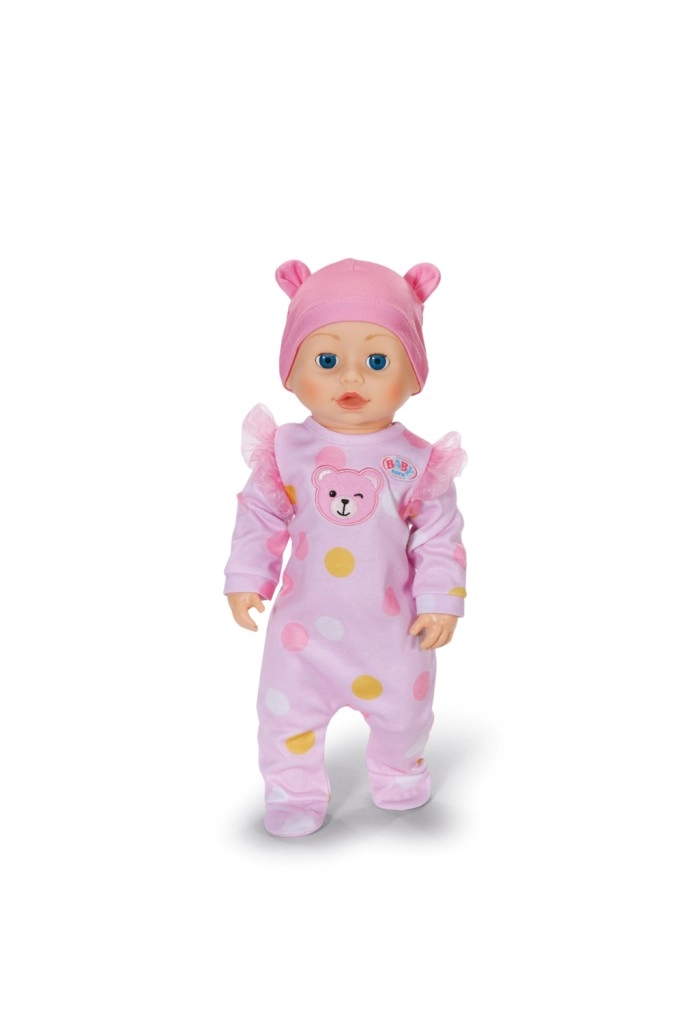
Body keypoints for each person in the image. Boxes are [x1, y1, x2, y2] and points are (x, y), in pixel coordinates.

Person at [224, 258, 467, 837]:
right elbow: (260, 514)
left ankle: (398, 770)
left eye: (377, 362)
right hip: (302, 635)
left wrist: (441, 600)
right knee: (284, 719)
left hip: (393, 633)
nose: (351, 379)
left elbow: (439, 536)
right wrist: (247, 577)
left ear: (414, 374)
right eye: (327, 361)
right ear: (291, 371)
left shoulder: (416, 461)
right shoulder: (286, 451)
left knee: (405, 715)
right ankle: (292, 790)